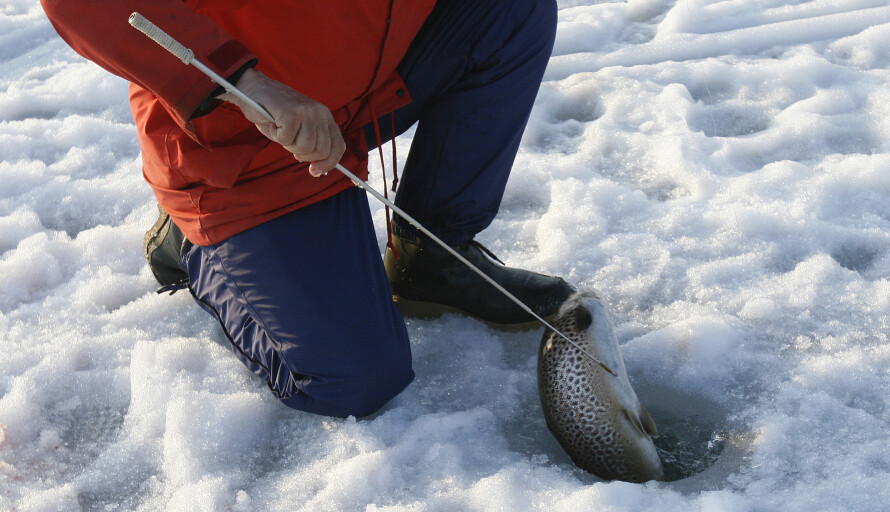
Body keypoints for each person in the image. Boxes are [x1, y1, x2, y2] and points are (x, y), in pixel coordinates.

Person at [42, 0, 572, 418]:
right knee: (352, 380)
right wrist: (239, 81)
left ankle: (432, 256)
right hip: (241, 139)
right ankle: (195, 245)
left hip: (366, 86)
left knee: (509, 9)